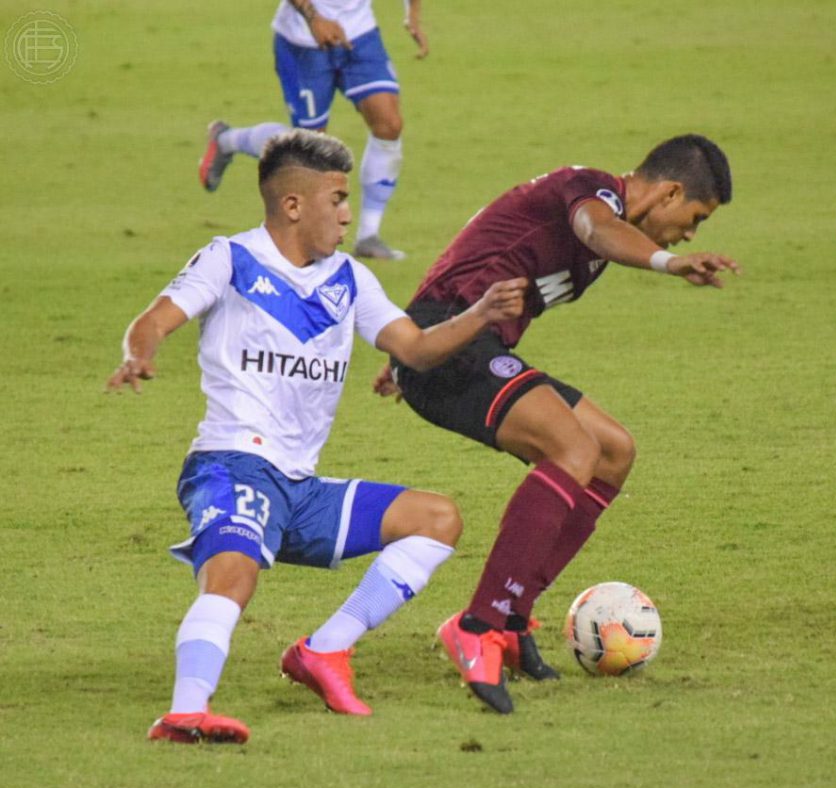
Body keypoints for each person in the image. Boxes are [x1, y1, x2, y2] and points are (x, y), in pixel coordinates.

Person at [108, 129, 526, 743]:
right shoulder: (232, 259)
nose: (348, 214)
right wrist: (139, 355)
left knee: (436, 519)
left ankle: (323, 651)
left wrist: (481, 314)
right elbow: (153, 320)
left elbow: (413, 347)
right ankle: (185, 711)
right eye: (337, 198)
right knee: (233, 573)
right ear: (294, 206)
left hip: (300, 489)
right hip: (232, 466)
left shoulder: (350, 280)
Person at [385, 134, 738, 714]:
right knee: (573, 448)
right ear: (670, 192)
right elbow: (596, 230)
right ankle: (478, 625)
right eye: (694, 218)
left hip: (455, 342)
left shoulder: (599, 211)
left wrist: (410, 353)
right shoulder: (590, 189)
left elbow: (472, 254)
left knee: (612, 450)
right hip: (455, 345)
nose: (691, 234)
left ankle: (514, 613)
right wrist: (670, 262)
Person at [198, 0, 429, 260]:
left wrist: (413, 16)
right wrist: (314, 19)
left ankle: (368, 236)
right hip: (302, 42)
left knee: (389, 124)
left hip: (361, 35)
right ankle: (227, 140)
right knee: (310, 149)